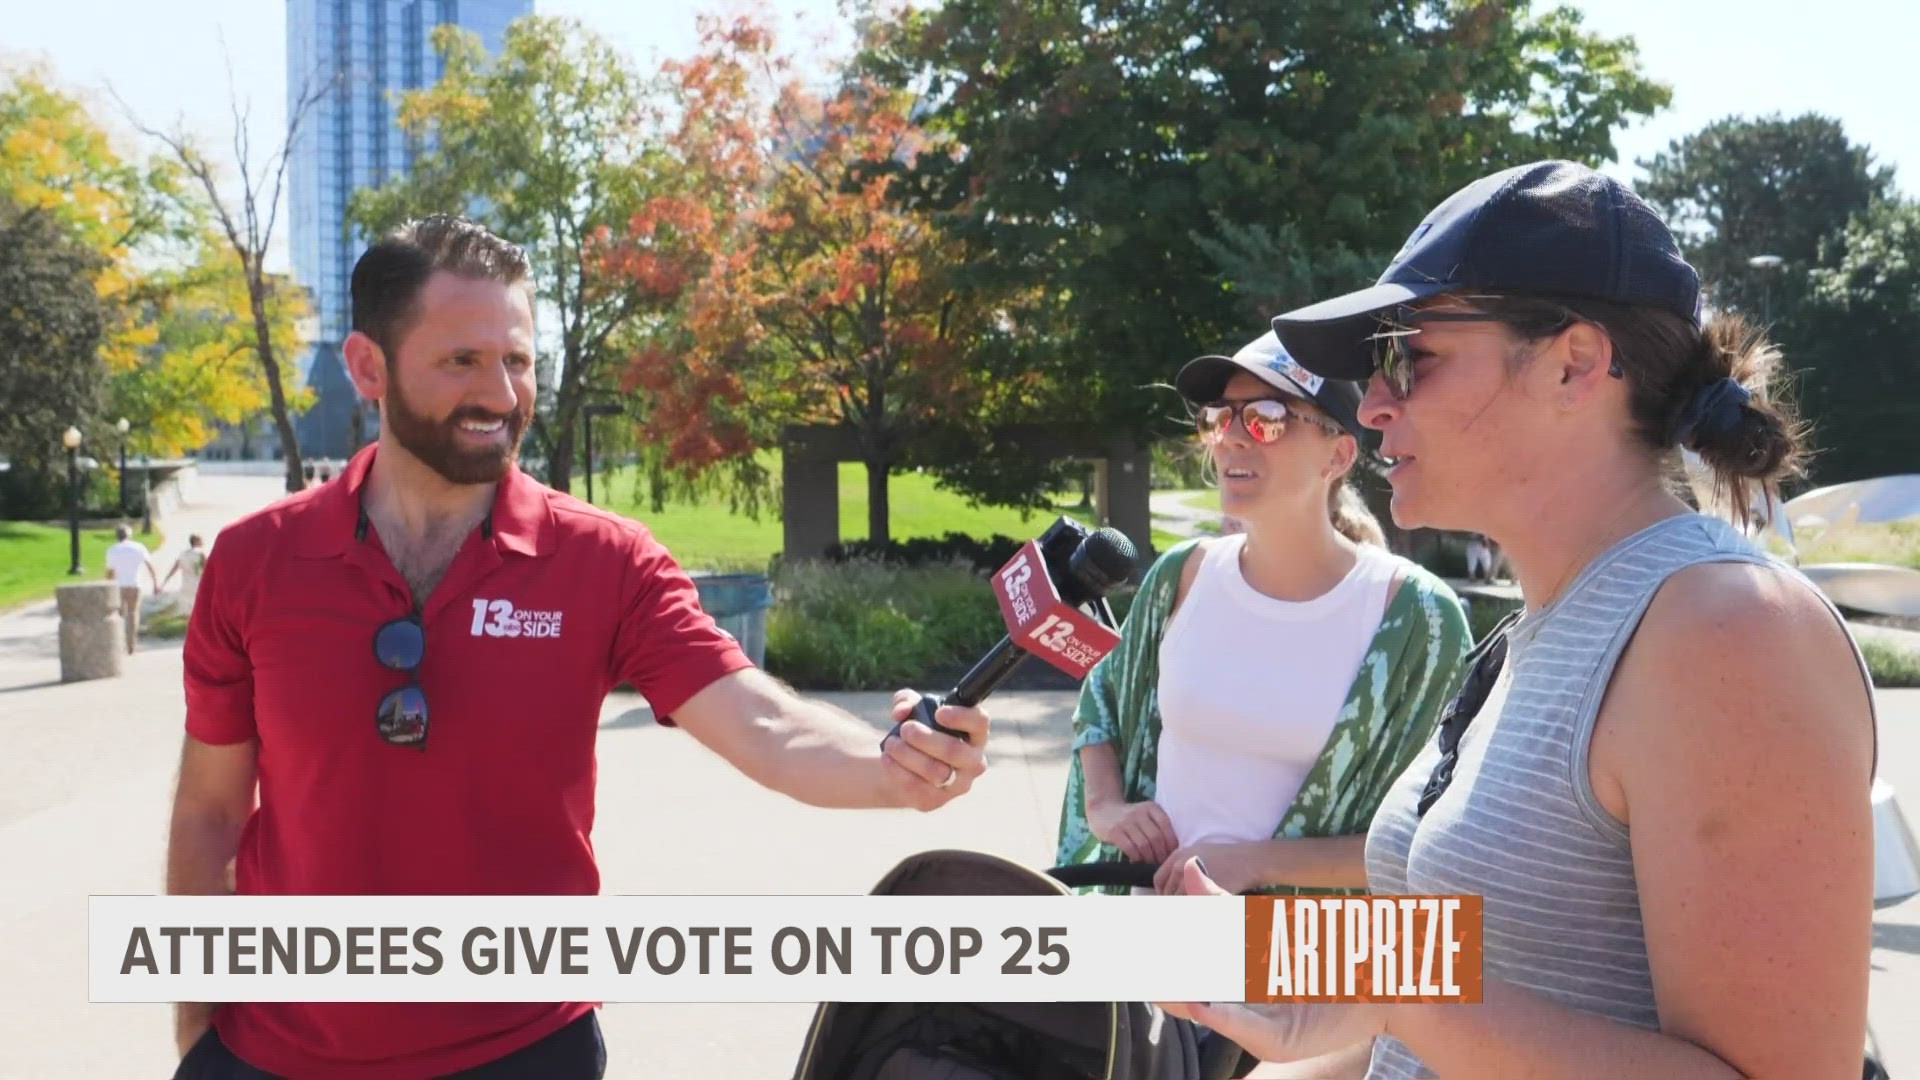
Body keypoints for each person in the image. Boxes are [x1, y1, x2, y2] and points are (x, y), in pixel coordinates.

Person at [168, 216, 991, 1080]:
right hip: (273, 1053)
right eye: (463, 362)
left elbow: (764, 722)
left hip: (522, 1052)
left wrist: (896, 766)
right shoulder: (256, 560)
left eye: (518, 361)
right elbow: (211, 813)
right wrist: (196, 1031)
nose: (502, 393)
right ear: (369, 367)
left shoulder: (605, 561)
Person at [1160, 161, 1878, 1079]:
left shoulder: (1729, 630)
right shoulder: (1536, 631)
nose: (1372, 403)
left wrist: (1383, 990)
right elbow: (1469, 1017)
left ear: (1573, 363)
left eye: (1404, 356)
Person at [1054, 329, 1473, 909]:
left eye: (1268, 418)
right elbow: (1101, 700)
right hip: (1154, 953)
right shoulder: (1181, 576)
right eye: (1218, 418)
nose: (1232, 440)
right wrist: (1106, 809)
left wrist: (1251, 862)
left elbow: (1427, 833)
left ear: (1339, 454)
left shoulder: (1415, 619)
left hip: (1308, 978)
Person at [103, 523, 158, 654]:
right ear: (130, 535)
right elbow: (150, 566)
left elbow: (110, 572)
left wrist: (106, 586)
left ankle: (119, 641)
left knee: (120, 614)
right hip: (135, 584)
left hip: (119, 586)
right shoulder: (139, 547)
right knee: (133, 613)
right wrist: (155, 583)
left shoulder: (113, 550)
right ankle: (131, 643)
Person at [159, 533, 209, 617]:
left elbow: (173, 569)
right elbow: (207, 568)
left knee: (188, 612)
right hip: (199, 584)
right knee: (201, 611)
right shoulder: (201, 553)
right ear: (196, 541)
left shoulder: (183, 554)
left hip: (186, 586)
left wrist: (163, 583)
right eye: (201, 540)